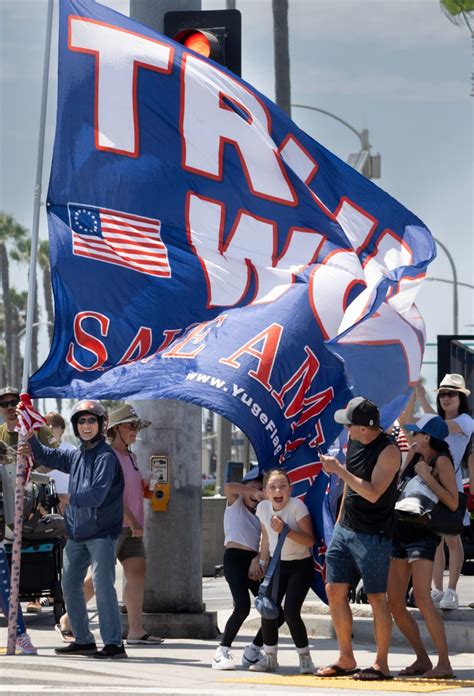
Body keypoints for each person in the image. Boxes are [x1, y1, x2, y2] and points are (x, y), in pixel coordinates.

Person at [19, 399, 127, 659]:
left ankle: (114, 643)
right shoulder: (77, 454)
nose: (86, 425)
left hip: (102, 533)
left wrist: (67, 498)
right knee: (69, 585)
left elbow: (97, 495)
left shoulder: (106, 457)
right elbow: (48, 455)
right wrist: (31, 439)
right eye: (81, 421)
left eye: (91, 420)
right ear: (76, 427)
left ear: (101, 425)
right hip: (77, 532)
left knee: (102, 586)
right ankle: (83, 639)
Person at [317, 397, 400, 681]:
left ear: (365, 428)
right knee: (334, 591)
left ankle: (381, 663)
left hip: (373, 534)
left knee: (377, 597)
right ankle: (346, 657)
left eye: (349, 425)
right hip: (346, 529)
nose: (346, 430)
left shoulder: (389, 451)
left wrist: (339, 470)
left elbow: (374, 492)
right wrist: (339, 523)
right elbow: (350, 490)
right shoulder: (354, 442)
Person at [388, 414, 457, 679]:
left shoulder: (441, 461)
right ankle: (421, 658)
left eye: (415, 433)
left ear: (427, 437)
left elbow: (452, 502)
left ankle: (444, 663)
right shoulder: (414, 457)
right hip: (399, 531)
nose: (411, 437)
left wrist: (429, 477)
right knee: (394, 600)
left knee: (422, 598)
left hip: (423, 534)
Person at [412, 375, 473, 610]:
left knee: (452, 540)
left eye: (452, 394)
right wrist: (418, 395)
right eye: (443, 394)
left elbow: (436, 426)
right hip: (431, 486)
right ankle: (438, 589)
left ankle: (452, 590)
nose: (446, 398)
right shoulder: (437, 420)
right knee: (436, 541)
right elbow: (431, 423)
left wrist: (421, 396)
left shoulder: (466, 421)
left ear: (461, 398)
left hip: (453, 487)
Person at [106, 403, 163, 646]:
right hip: (113, 526)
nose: (134, 430)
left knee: (137, 572)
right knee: (100, 579)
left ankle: (136, 630)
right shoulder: (108, 457)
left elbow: (138, 491)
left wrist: (149, 487)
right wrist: (130, 519)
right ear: (116, 429)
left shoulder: (132, 456)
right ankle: (68, 619)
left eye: (136, 425)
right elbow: (112, 494)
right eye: (131, 425)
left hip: (132, 526)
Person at [250, 468, 316, 675]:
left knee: (290, 612)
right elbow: (266, 538)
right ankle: (270, 658)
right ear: (266, 491)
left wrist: (286, 530)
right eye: (272, 487)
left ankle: (305, 658)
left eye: (282, 486)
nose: (278, 490)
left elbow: (310, 540)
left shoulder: (297, 507)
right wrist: (261, 562)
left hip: (300, 565)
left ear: (290, 489)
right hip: (277, 566)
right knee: (268, 610)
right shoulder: (262, 508)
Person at [0, 387, 57, 614]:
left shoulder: (36, 429)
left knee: (36, 545)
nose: (10, 407)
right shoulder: (1, 434)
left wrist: (32, 474)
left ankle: (35, 596)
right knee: (8, 546)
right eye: (5, 404)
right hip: (7, 497)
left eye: (14, 402)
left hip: (35, 497)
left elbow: (54, 455)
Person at [212, 466, 271, 670]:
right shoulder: (235, 503)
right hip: (234, 558)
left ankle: (253, 650)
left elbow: (267, 543)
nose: (256, 493)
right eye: (252, 488)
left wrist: (259, 560)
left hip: (252, 562)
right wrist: (251, 491)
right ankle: (222, 651)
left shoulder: (262, 513)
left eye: (261, 489)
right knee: (242, 607)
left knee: (274, 611)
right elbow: (229, 487)